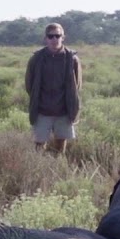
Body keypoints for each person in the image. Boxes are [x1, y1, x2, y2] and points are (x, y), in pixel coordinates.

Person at [24, 22, 82, 154]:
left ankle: (56, 167)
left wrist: (70, 103)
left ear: (63, 37)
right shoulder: (36, 58)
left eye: (57, 35)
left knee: (61, 144)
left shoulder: (72, 59)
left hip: (63, 110)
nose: (54, 39)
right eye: (51, 36)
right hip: (42, 110)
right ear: (45, 38)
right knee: (39, 144)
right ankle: (39, 169)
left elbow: (77, 85)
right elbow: (29, 85)